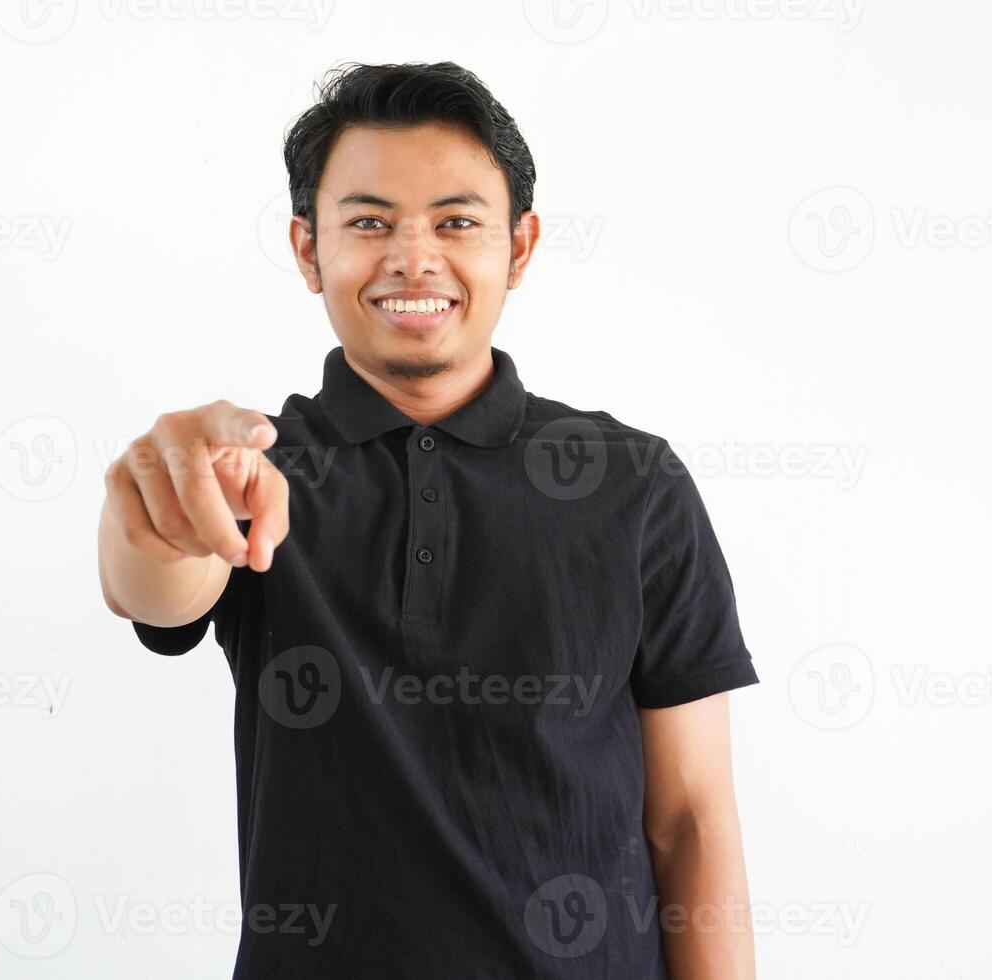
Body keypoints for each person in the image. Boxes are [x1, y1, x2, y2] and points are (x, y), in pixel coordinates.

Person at [98, 61, 760, 979]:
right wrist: (157, 503)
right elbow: (156, 591)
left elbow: (690, 817)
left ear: (519, 248)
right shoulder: (253, 476)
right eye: (369, 223)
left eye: (456, 222)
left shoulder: (632, 482)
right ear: (307, 249)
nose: (413, 258)